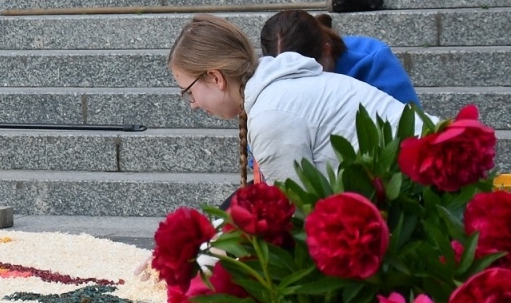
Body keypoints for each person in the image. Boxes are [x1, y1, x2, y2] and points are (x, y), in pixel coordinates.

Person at [168, 14, 409, 186]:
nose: (193, 104)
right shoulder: (275, 90)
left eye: (189, 92)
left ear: (215, 77)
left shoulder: (270, 114)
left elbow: (294, 217)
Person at [259, 9, 421, 107]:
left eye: (304, 73)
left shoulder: (373, 60)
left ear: (326, 51)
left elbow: (412, 128)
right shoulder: (267, 76)